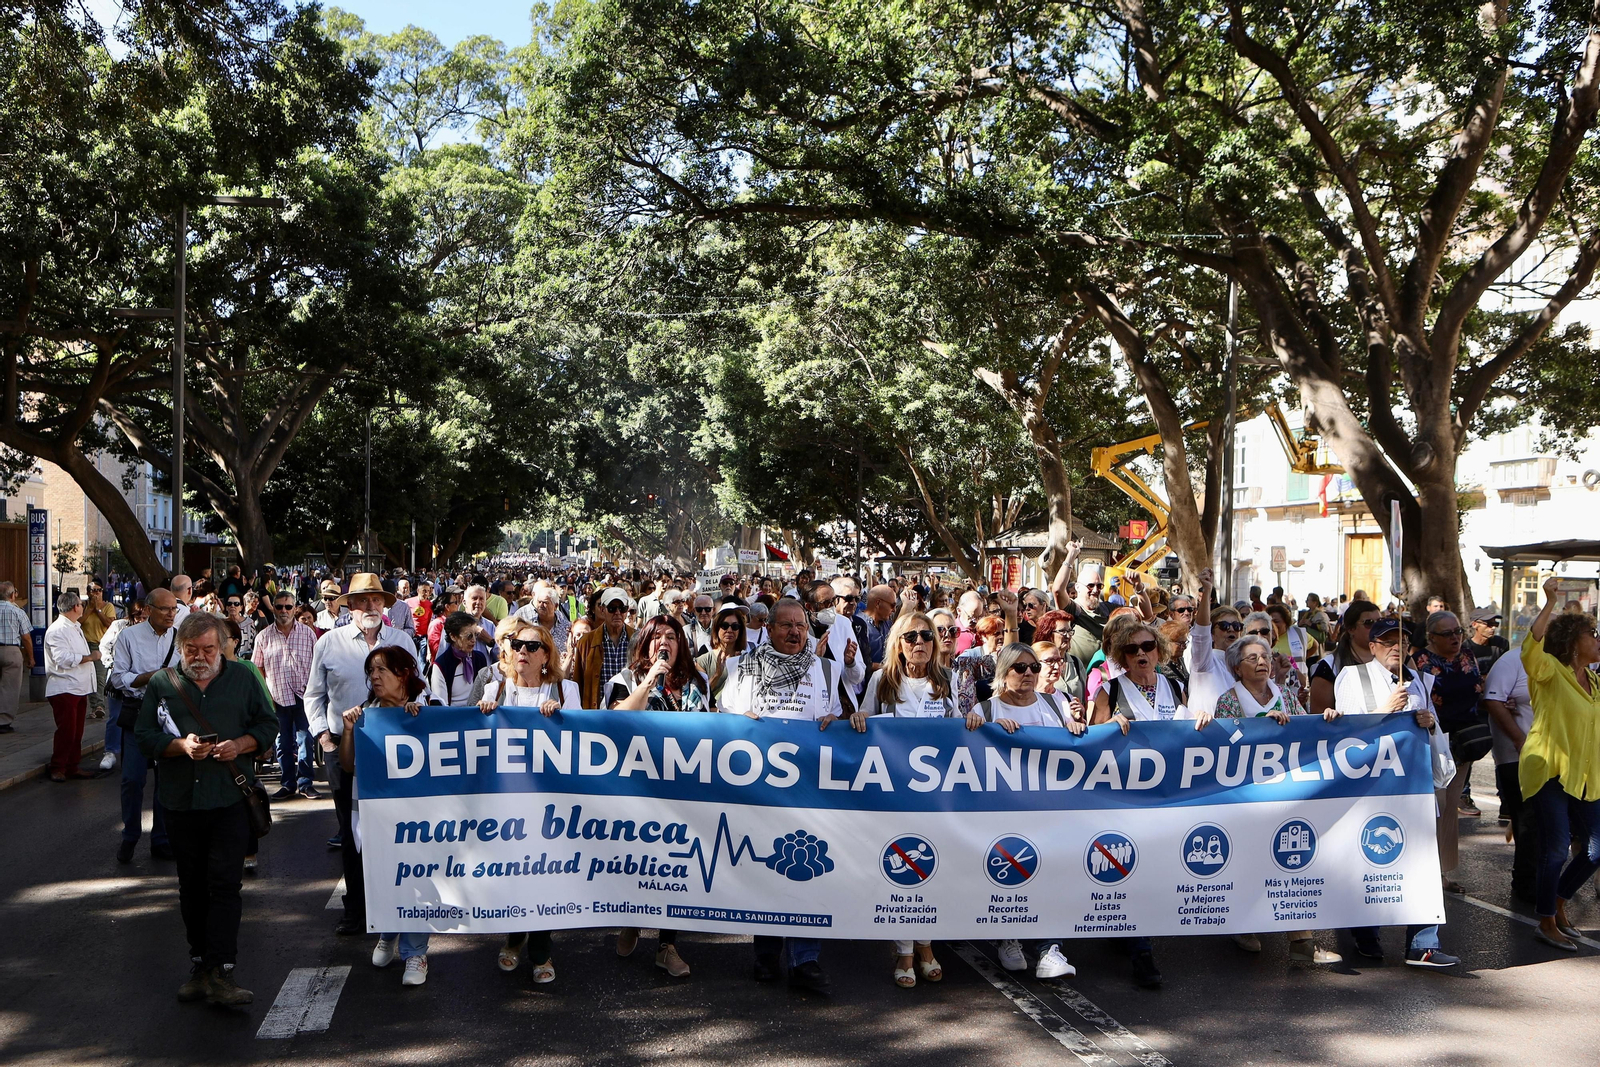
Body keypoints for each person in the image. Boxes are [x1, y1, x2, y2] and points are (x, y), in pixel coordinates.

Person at [136, 611, 277, 1007]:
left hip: (229, 799)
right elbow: (144, 735)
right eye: (191, 649)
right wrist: (181, 746)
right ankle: (199, 966)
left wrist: (241, 745)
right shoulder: (163, 683)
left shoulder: (243, 678)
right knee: (191, 886)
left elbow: (268, 726)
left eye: (208, 649)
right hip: (180, 802)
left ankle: (222, 970)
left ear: (223, 647)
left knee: (226, 885)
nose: (200, 656)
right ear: (180, 648)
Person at [719, 598, 845, 994]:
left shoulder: (826, 668)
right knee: (766, 868)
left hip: (809, 789)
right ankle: (766, 954)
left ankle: (805, 960)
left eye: (801, 627)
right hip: (759, 787)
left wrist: (834, 722)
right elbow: (723, 720)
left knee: (807, 869)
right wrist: (739, 724)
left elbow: (836, 717)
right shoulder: (739, 667)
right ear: (768, 628)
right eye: (787, 625)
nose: (795, 632)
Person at [1194, 633, 1342, 963]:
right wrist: (1261, 727)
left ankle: (1302, 939)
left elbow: (1307, 733)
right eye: (1253, 658)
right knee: (1249, 860)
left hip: (1286, 793)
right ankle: (1244, 924)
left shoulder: (1286, 695)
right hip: (1247, 796)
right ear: (1236, 668)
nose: (1262, 662)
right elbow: (1226, 744)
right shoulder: (1228, 700)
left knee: (1293, 858)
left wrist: (1326, 720)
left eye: (1266, 656)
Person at [305, 573, 426, 937]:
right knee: (352, 832)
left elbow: (417, 688)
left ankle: (393, 907)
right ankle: (355, 910)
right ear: (350, 607)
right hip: (345, 746)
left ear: (385, 605)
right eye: (362, 601)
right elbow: (314, 695)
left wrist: (416, 713)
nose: (370, 606)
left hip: (394, 749)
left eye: (376, 600)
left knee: (394, 830)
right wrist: (324, 735)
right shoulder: (329, 643)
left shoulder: (402, 640)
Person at [1333, 617, 1459, 967]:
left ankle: (1423, 943)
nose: (1396, 647)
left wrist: (1429, 724)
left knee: (1422, 861)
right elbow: (1345, 733)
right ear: (1372, 646)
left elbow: (1432, 724)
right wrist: (1382, 712)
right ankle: (1364, 932)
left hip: (1413, 788)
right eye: (1388, 641)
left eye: (1402, 641)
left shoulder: (1417, 677)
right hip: (1371, 789)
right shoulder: (1352, 676)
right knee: (1367, 857)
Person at [975, 642, 1089, 980]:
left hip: (1049, 809)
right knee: (1009, 873)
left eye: (1033, 668)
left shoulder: (1057, 704)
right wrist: (987, 729)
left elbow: (1078, 743)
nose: (1029, 674)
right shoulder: (987, 710)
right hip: (1002, 811)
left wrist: (1078, 729)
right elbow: (967, 747)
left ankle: (1048, 948)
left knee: (1050, 872)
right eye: (1020, 668)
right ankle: (1007, 936)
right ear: (1003, 672)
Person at [472, 620, 574, 984]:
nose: (522, 652)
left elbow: (582, 738)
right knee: (513, 873)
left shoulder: (565, 689)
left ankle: (541, 952)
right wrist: (485, 710)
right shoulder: (495, 687)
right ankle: (513, 940)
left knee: (543, 873)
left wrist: (561, 718)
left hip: (551, 804)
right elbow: (470, 733)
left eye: (531, 647)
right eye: (516, 645)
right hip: (506, 802)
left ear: (547, 655)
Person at [604, 614, 706, 976]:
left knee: (674, 865)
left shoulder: (697, 683)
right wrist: (648, 682)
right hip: (639, 791)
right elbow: (616, 722)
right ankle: (634, 915)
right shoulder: (625, 681)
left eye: (672, 637)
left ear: (681, 645)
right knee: (641, 862)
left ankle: (667, 944)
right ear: (645, 644)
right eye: (657, 637)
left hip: (682, 792)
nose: (665, 642)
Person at [1517, 576, 1600, 952]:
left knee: (1596, 849)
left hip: (1585, 777)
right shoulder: (1549, 671)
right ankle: (1546, 920)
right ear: (1573, 642)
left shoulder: (1594, 683)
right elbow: (1530, 644)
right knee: (1557, 846)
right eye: (1592, 634)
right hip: (1549, 769)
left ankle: (1560, 902)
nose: (1597, 640)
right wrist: (1549, 601)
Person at [340, 647, 431, 986]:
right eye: (371, 672)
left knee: (420, 879)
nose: (374, 677)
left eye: (382, 670)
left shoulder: (429, 707)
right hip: (378, 817)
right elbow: (348, 766)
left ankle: (415, 953)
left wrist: (420, 721)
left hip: (423, 821)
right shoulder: (366, 713)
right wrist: (349, 730)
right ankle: (389, 931)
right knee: (389, 878)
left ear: (403, 673)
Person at [1412, 609, 1486, 876]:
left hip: (1463, 742)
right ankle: (1425, 870)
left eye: (1458, 632)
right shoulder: (1419, 661)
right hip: (1434, 741)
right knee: (1438, 805)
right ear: (1431, 637)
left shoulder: (1467, 655)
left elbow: (1476, 690)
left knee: (1451, 806)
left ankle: (1444, 871)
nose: (1455, 638)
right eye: (1447, 634)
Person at [110, 588, 181, 863]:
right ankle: (130, 836)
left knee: (166, 782)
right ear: (149, 610)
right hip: (138, 713)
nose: (171, 614)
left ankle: (161, 840)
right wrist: (151, 678)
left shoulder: (179, 637)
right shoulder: (129, 636)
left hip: (169, 717)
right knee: (132, 779)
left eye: (174, 609)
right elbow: (118, 679)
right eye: (165, 609)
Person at [251, 591, 320, 801]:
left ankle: (305, 783)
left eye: (288, 607)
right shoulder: (263, 636)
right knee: (282, 743)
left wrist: (315, 691)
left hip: (303, 696)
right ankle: (288, 783)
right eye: (279, 607)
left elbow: (318, 664)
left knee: (305, 740)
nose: (283, 611)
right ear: (273, 608)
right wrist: (266, 695)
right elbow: (257, 668)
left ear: (294, 608)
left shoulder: (308, 634)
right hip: (277, 697)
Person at [1483, 635, 1537, 903]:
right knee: (1527, 819)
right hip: (1517, 757)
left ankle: (1542, 880)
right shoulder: (1512, 661)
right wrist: (1519, 739)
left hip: (1555, 756)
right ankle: (1526, 883)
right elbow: (1493, 701)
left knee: (1545, 822)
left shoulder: (1560, 662)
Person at [44, 592, 97, 781]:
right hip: (64, 686)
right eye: (81, 604)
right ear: (75, 607)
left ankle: (72, 765)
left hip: (78, 686)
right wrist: (90, 657)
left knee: (77, 731)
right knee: (67, 730)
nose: (82, 607)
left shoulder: (74, 627)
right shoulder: (58, 630)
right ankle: (58, 767)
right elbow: (62, 659)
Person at [1308, 600, 1381, 716]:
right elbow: (1319, 718)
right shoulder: (1328, 667)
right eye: (1369, 623)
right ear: (1351, 629)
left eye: (1380, 622)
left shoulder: (1398, 659)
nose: (1377, 627)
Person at [98, 598, 145, 770]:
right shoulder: (119, 626)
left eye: (145, 617)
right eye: (137, 616)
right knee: (115, 715)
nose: (141, 620)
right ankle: (110, 751)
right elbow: (104, 646)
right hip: (119, 677)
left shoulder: (151, 630)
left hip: (141, 678)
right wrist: (112, 664)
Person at [571, 587, 636, 709]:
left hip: (632, 714)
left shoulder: (638, 639)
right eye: (612, 608)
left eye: (622, 608)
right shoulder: (586, 642)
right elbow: (578, 684)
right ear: (602, 610)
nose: (617, 613)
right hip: (597, 717)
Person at [428, 612, 490, 705]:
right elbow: (441, 704)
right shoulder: (441, 665)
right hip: (452, 716)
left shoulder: (479, 658)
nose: (474, 640)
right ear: (453, 636)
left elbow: (485, 692)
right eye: (469, 636)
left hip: (476, 715)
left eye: (475, 635)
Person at [696, 602, 748, 709]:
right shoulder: (702, 661)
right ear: (716, 628)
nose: (729, 630)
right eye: (724, 626)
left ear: (740, 630)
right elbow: (699, 697)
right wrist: (717, 675)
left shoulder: (748, 660)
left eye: (735, 626)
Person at [79, 582, 118, 721]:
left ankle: (99, 706)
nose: (96, 593)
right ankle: (94, 706)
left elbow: (109, 623)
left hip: (100, 645)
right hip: (84, 646)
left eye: (99, 590)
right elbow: (79, 622)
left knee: (100, 677)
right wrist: (90, 609)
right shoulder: (82, 606)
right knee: (88, 677)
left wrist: (98, 610)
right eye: (93, 591)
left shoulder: (108, 607)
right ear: (88, 592)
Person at [0, 581, 35, 734]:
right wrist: (31, 657)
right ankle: (3, 721)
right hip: (11, 651)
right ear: (12, 595)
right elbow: (26, 637)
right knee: (10, 687)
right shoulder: (18, 611)